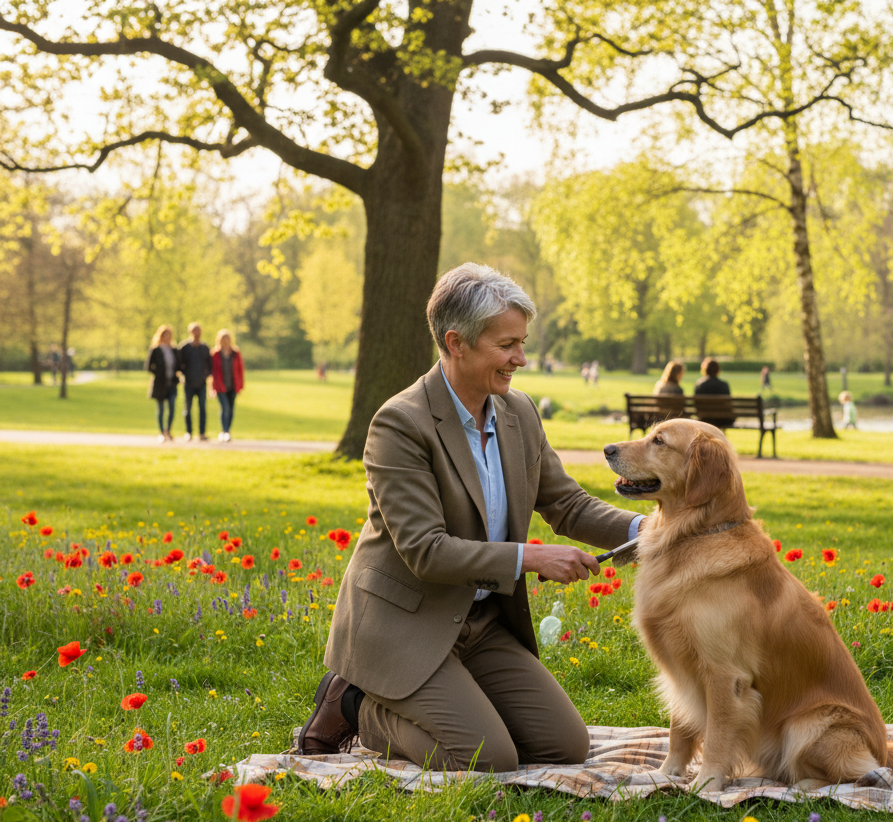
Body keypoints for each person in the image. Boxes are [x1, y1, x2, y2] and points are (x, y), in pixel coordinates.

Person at [296, 263, 644, 771]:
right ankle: (356, 704)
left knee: (565, 747)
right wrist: (530, 559)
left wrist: (647, 530)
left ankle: (447, 698)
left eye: (521, 343)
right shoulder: (400, 423)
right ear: (457, 342)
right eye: (507, 345)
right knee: (486, 758)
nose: (520, 359)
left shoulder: (518, 413)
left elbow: (566, 504)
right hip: (404, 624)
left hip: (481, 624)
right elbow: (425, 550)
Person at [177, 322, 212, 441]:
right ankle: (189, 432)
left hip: (201, 383)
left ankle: (202, 433)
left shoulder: (205, 348)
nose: (197, 333)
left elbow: (210, 365)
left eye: (198, 331)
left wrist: (205, 376)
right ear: (190, 332)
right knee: (188, 409)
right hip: (189, 383)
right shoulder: (184, 347)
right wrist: (183, 375)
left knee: (202, 409)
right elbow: (179, 364)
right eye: (194, 331)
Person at [146, 325, 180, 443]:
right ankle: (161, 432)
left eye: (169, 336)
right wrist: (160, 373)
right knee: (161, 409)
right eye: (165, 335)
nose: (167, 338)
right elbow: (149, 367)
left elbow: (179, 365)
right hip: (160, 384)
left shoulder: (174, 350)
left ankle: (168, 430)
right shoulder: (155, 350)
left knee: (171, 408)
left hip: (172, 383)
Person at [210, 329, 244, 442]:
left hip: (233, 386)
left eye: (227, 339)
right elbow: (213, 372)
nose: (226, 341)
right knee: (225, 408)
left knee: (231, 409)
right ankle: (224, 431)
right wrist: (212, 387)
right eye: (223, 339)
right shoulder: (215, 354)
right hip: (220, 386)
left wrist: (240, 385)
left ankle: (227, 430)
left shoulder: (235, 353)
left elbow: (240, 370)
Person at [693, 357, 735, 429]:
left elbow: (696, 405)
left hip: (704, 419)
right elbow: (728, 403)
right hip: (722, 420)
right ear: (718, 370)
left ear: (705, 370)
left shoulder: (699, 385)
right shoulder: (724, 385)